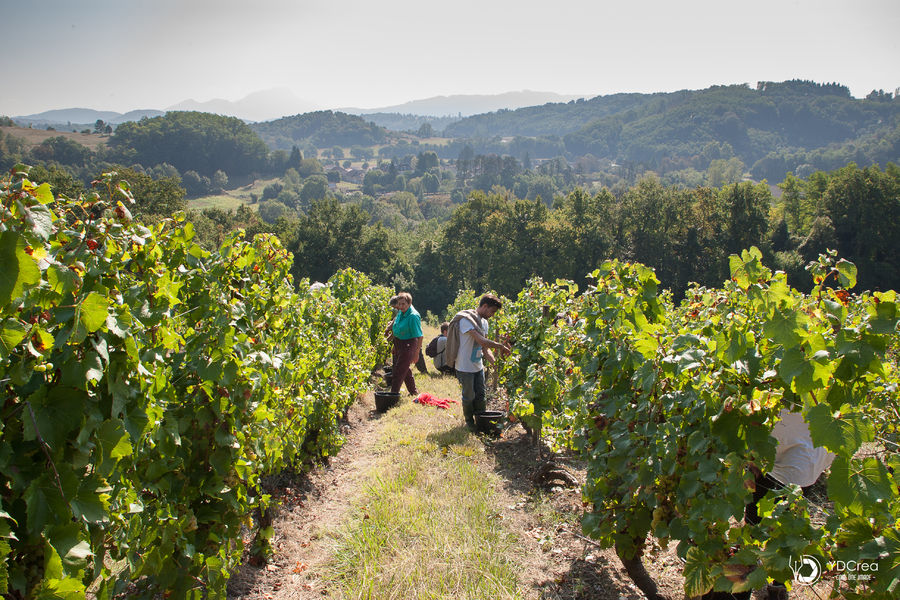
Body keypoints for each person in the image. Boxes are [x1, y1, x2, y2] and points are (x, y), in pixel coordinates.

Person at [445, 294, 510, 429]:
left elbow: (484, 348)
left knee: (481, 395)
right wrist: (500, 346)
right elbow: (481, 340)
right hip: (464, 366)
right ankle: (469, 422)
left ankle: (481, 421)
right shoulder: (467, 320)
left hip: (477, 366)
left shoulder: (484, 322)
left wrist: (495, 364)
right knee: (469, 396)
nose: (492, 315)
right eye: (492, 311)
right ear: (484, 306)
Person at [390, 292, 423, 396]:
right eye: (399, 304)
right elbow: (396, 326)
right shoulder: (401, 312)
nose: (401, 306)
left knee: (399, 370)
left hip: (408, 344)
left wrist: (416, 353)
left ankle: (393, 394)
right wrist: (394, 344)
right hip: (399, 343)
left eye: (403, 304)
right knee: (404, 368)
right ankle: (413, 391)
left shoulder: (413, 316)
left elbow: (419, 336)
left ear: (409, 303)